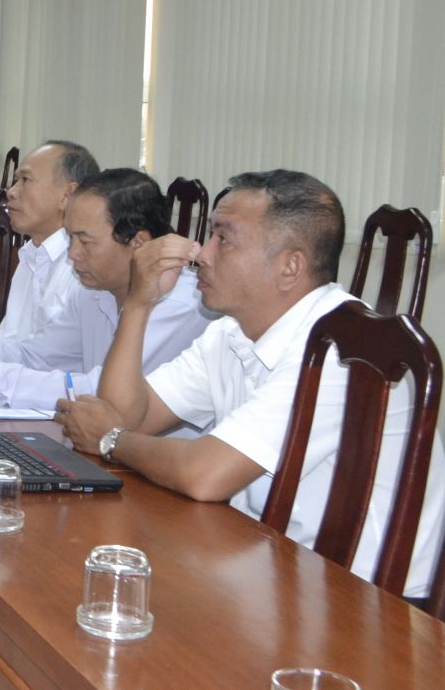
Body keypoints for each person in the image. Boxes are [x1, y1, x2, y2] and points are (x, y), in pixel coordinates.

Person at [58, 170, 444, 598]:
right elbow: (127, 414)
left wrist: (111, 439)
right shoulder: (232, 331)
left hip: (365, 602)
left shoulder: (341, 348)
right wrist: (138, 303)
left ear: (289, 266)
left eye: (224, 239)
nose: (201, 253)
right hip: (273, 561)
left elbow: (204, 474)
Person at [0, 169, 211, 411]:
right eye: (70, 239)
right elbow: (35, 356)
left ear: (138, 244)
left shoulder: (178, 304)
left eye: (85, 242)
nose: (73, 254)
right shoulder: (95, 291)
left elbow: (98, 392)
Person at [0, 142, 100, 357]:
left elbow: (44, 362)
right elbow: (10, 346)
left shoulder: (86, 268)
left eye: (26, 180)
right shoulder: (31, 254)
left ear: (67, 196)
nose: (11, 192)